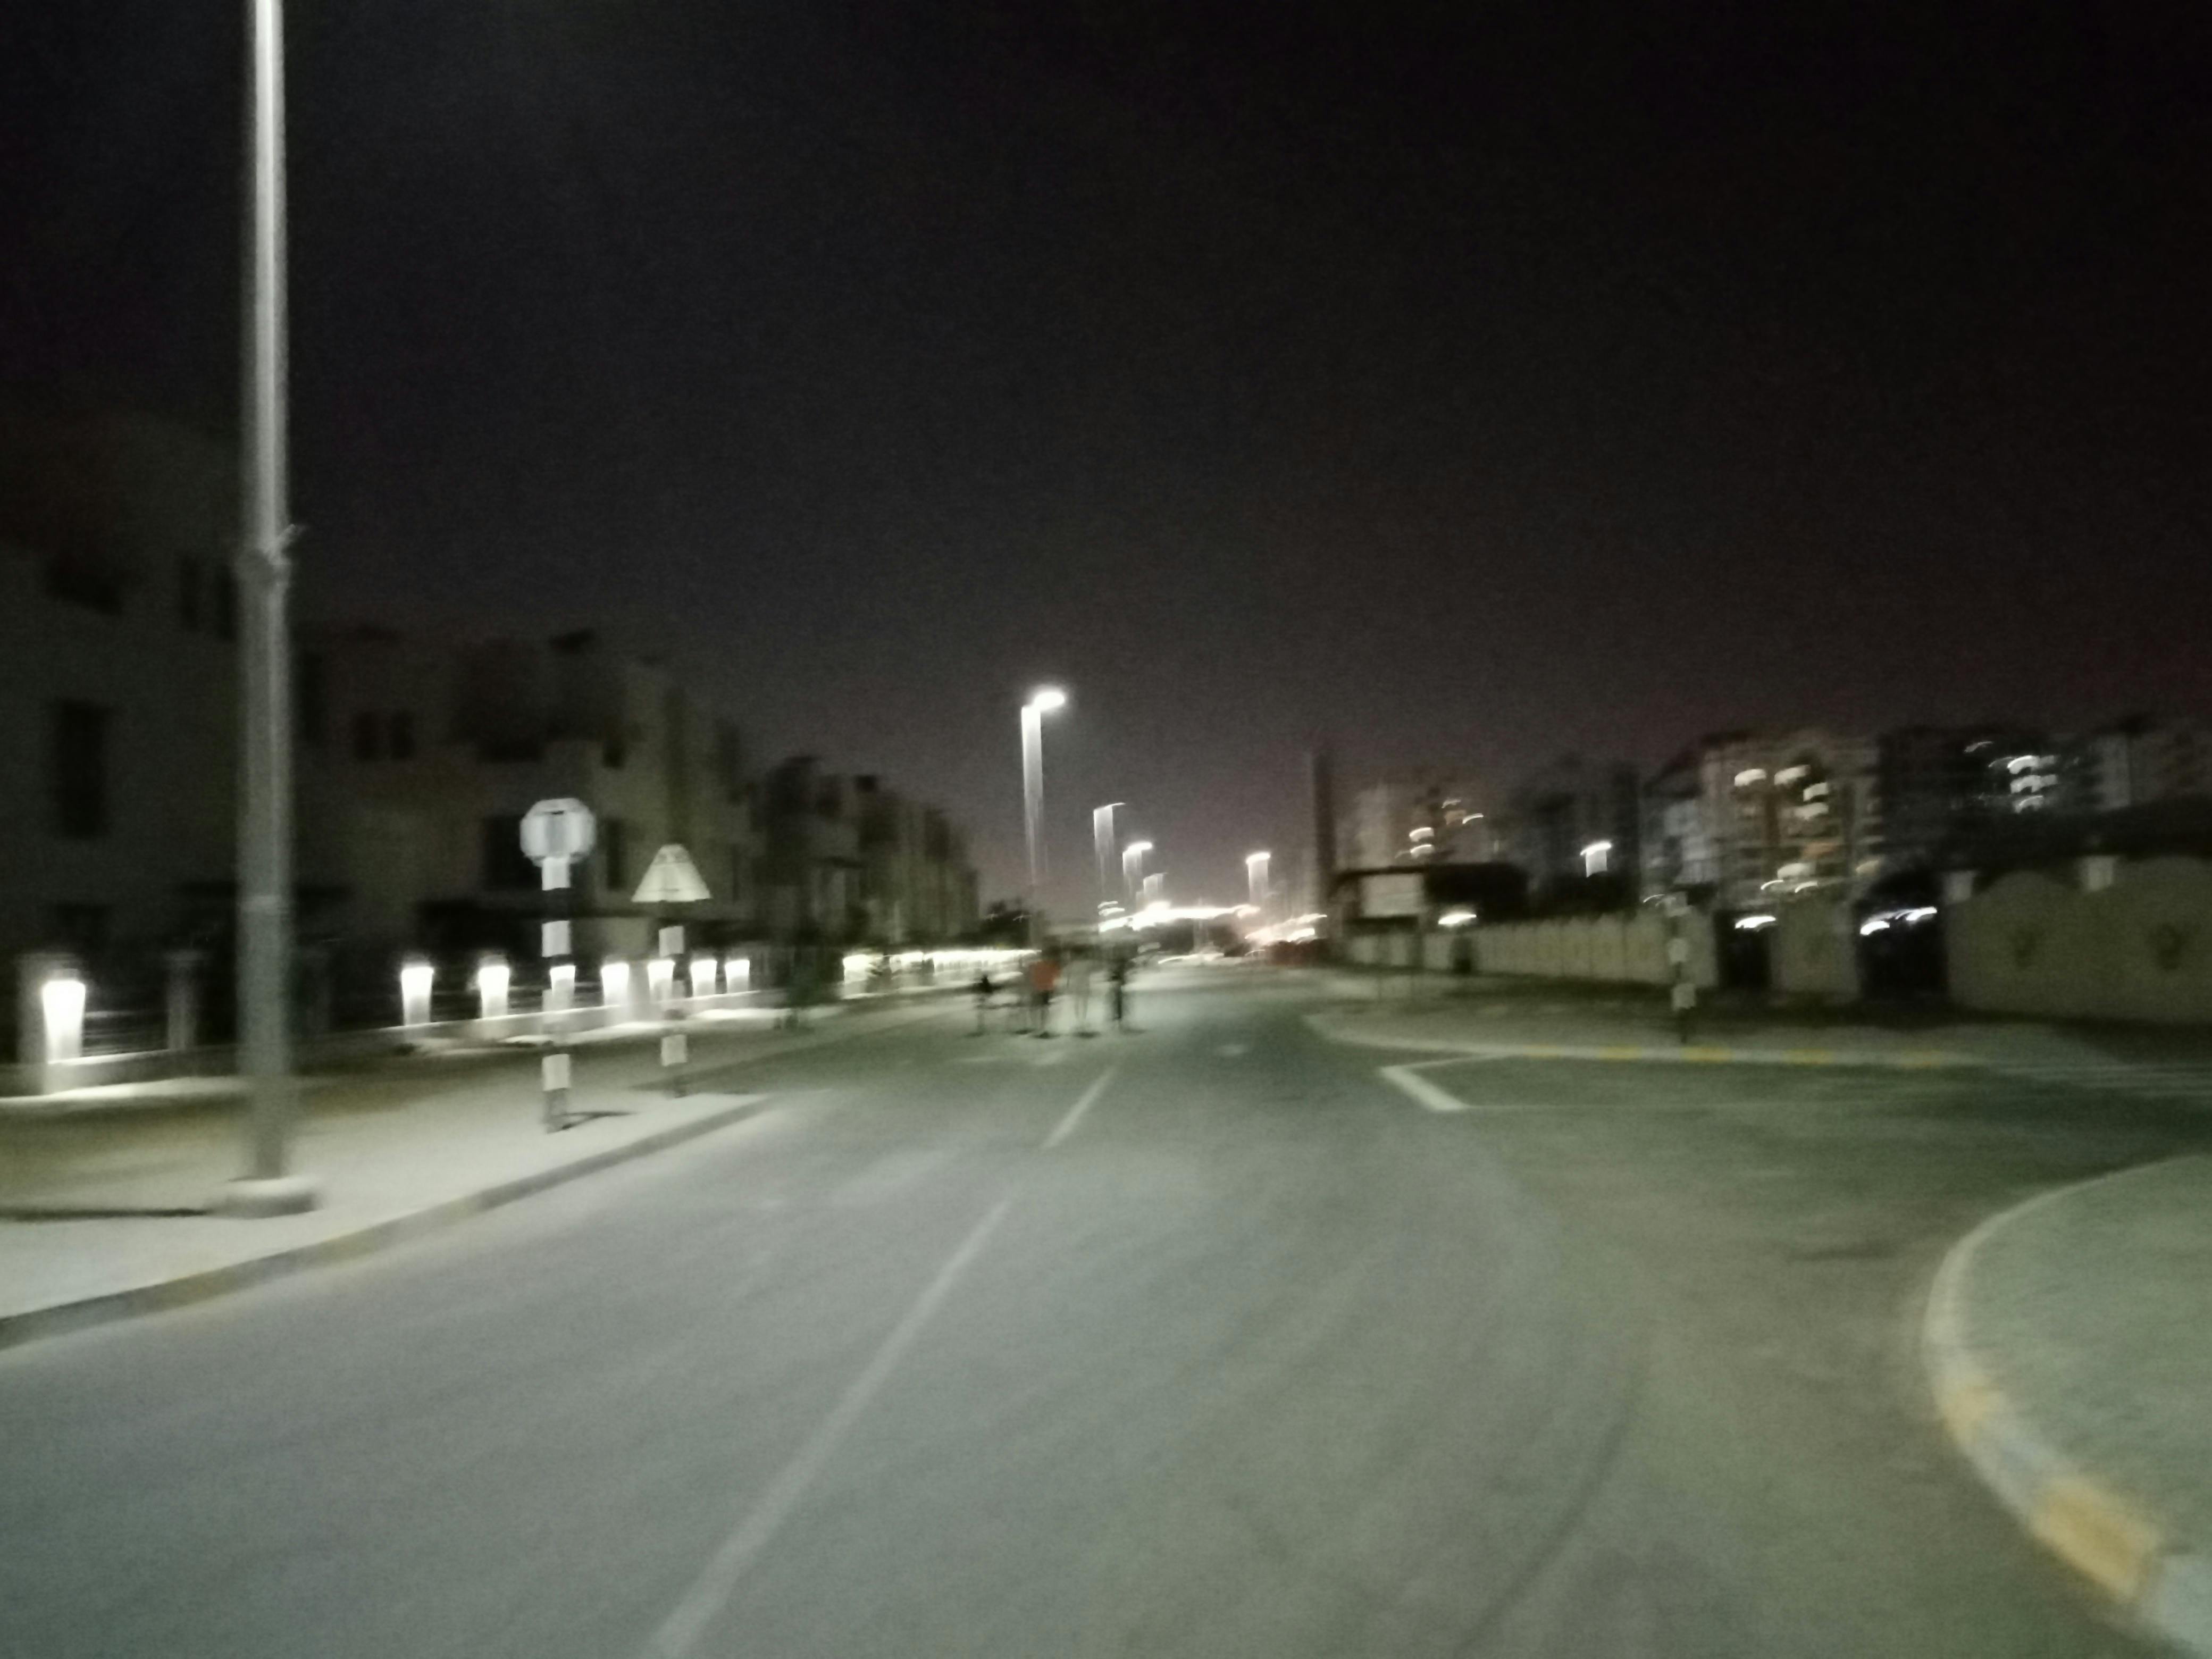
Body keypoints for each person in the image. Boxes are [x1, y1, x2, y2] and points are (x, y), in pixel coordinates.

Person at [1027, 952, 1061, 1037]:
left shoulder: (1036, 966)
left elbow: (1031, 977)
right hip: (1045, 990)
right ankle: (1042, 1028)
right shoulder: (1051, 966)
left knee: (1038, 1009)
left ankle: (1039, 1028)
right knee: (1044, 1009)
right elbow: (1056, 977)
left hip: (1040, 989)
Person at [1065, 950, 1095, 1035]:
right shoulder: (1086, 964)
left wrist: (1068, 986)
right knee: (1084, 1004)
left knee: (1077, 1003)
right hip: (1084, 986)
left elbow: (1068, 976)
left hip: (1077, 986)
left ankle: (1079, 1020)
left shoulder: (1072, 965)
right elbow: (1090, 973)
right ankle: (1083, 1020)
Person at [1108, 952, 1130, 1032]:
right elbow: (1122, 978)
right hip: (1118, 985)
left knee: (1115, 1003)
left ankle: (1115, 1020)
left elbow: (1110, 977)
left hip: (1115, 985)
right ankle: (1118, 1020)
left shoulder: (1114, 967)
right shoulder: (1121, 967)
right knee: (1118, 1003)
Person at [970, 969, 995, 1035]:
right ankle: (988, 1005)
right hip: (987, 992)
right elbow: (988, 986)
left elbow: (984, 986)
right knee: (985, 999)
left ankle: (986, 1005)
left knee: (984, 999)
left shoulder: (984, 981)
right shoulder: (986, 981)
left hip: (986, 992)